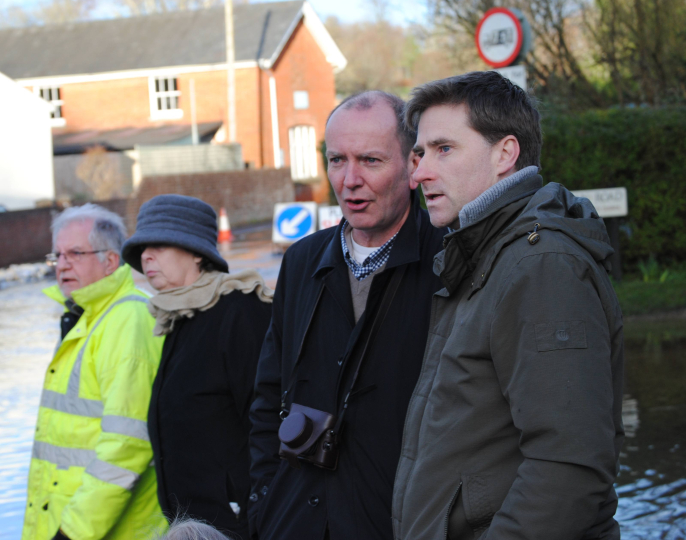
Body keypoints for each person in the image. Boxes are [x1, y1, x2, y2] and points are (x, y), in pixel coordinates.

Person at [392, 71, 624, 539]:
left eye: (443, 149)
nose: (418, 174)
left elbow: (569, 469)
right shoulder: (485, 255)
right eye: (420, 154)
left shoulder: (541, 266)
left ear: (505, 153)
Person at [248, 91, 446, 540]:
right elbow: (268, 397)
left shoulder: (447, 261)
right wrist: (265, 501)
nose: (349, 180)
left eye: (370, 161)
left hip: (402, 525)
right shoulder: (301, 261)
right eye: (337, 160)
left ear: (412, 165)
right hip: (296, 522)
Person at [121, 194, 273, 540]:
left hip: (239, 526)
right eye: (142, 248)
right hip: (192, 525)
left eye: (159, 245)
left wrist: (255, 514)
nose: (146, 256)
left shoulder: (239, 310)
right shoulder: (178, 316)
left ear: (197, 253)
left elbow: (267, 421)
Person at [23, 204, 166, 540]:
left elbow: (125, 447)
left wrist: (72, 533)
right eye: (57, 256)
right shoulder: (86, 319)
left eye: (75, 253)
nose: (62, 265)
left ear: (111, 261)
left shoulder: (126, 320)